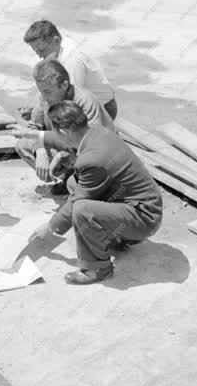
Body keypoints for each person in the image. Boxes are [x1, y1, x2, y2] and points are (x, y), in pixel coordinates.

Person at [28, 101, 163, 285]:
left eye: (56, 131)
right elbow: (68, 141)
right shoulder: (97, 132)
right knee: (73, 182)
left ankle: (98, 269)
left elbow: (78, 200)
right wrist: (45, 142)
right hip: (140, 204)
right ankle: (116, 237)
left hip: (145, 218)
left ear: (65, 132)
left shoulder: (93, 160)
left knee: (82, 209)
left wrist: (51, 228)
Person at [12, 60, 114, 194]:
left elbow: (92, 142)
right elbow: (34, 127)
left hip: (94, 154)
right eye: (41, 91)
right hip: (66, 146)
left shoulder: (85, 101)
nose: (43, 96)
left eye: (47, 91)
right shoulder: (44, 98)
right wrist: (40, 150)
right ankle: (67, 178)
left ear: (64, 85)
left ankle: (83, 182)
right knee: (23, 144)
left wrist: (62, 155)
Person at [22, 20, 117, 121]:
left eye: (41, 50)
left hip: (102, 110)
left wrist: (39, 114)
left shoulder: (72, 62)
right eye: (36, 51)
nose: (40, 56)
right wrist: (36, 105)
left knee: (45, 119)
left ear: (56, 41)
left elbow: (72, 101)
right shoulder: (58, 46)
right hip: (86, 103)